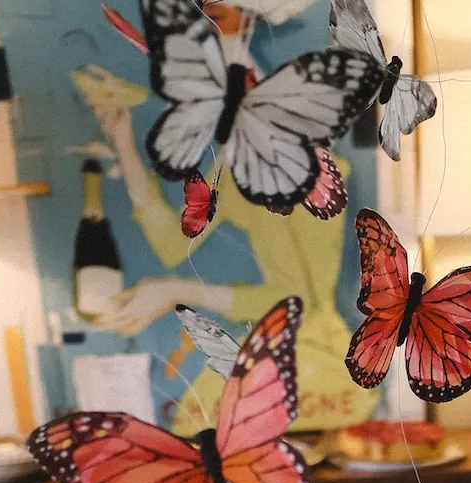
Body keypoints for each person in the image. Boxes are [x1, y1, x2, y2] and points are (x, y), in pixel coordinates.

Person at [73, 59, 376, 434]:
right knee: (192, 428)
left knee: (200, 427)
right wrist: (123, 142)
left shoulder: (316, 181)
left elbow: (297, 300)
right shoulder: (239, 178)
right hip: (270, 347)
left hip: (316, 356)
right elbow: (171, 243)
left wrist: (175, 290)